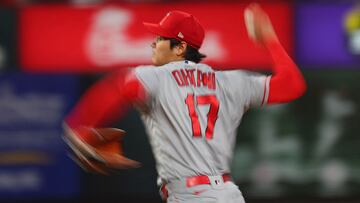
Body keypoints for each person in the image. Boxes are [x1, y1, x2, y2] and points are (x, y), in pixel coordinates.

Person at [63, 4, 306, 203]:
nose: (153, 43)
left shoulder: (154, 77)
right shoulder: (230, 81)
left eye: (160, 38)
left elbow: (118, 87)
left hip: (190, 195)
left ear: (180, 48)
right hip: (227, 194)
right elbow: (292, 85)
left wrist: (81, 129)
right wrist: (270, 40)